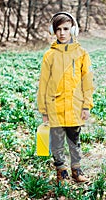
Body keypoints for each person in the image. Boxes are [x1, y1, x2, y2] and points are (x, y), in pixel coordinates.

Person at [37, 12, 94, 184]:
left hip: (75, 107)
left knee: (74, 141)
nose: (62, 33)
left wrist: (86, 106)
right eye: (58, 29)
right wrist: (44, 110)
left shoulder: (82, 54)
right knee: (57, 142)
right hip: (54, 107)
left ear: (73, 30)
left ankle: (76, 170)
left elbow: (88, 82)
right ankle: (61, 171)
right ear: (53, 31)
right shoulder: (49, 55)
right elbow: (43, 84)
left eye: (66, 29)